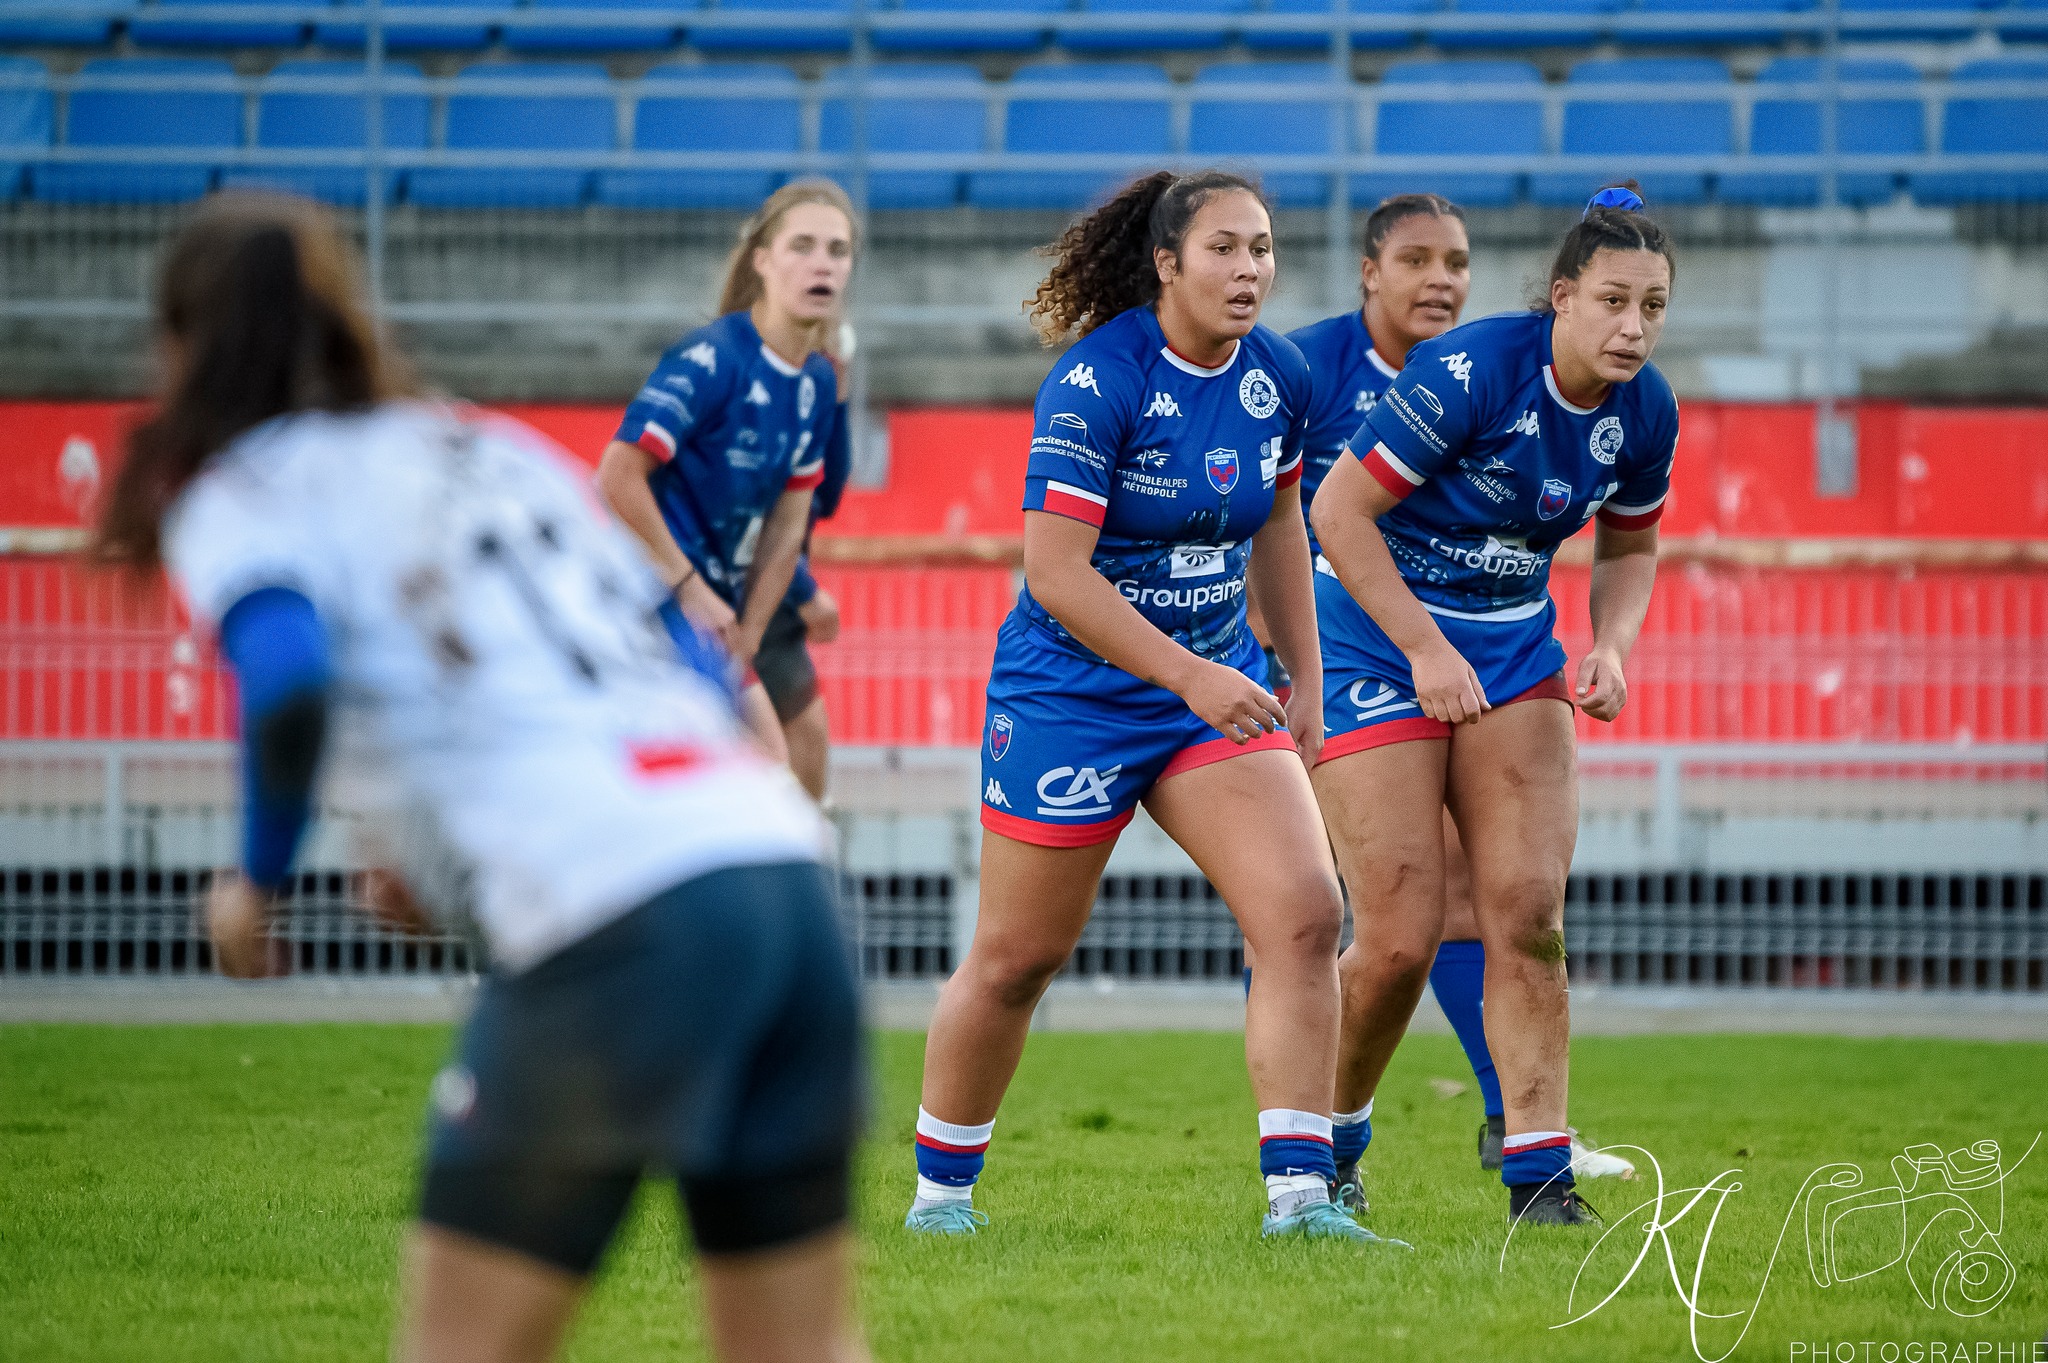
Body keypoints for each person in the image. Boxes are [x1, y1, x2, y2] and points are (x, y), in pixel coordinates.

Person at [92, 191, 868, 1363]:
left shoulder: (246, 486)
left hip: (621, 915)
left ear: (180, 343)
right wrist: (440, 849)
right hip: (778, 878)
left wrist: (255, 878)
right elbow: (678, 672)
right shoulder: (481, 442)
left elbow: (290, 676)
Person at [905, 169, 1389, 1246]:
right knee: (1017, 956)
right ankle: (940, 1198)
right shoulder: (1095, 381)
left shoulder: (1280, 373)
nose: (1248, 269)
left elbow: (1276, 524)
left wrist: (1299, 674)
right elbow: (1056, 575)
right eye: (1222, 248)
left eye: (1261, 248)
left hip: (1207, 690)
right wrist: (1193, 676)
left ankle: (1300, 1202)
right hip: (1071, 695)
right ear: (1165, 264)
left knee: (1306, 913)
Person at [1308, 184, 1678, 1228]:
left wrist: (1608, 643)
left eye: (1650, 307)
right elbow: (1337, 511)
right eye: (1610, 301)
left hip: (1512, 644)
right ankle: (1327, 1144)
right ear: (1561, 296)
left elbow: (1631, 541)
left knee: (1526, 912)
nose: (1631, 327)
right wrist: (1421, 647)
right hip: (1372, 639)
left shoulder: (1645, 409)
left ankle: (1537, 1173)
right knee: (1396, 933)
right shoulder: (1468, 371)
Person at [596, 180, 856, 801]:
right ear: (762, 261)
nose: (822, 263)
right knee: (759, 773)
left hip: (723, 618)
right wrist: (688, 588)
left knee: (788, 762)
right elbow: (615, 476)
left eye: (838, 250)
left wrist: (747, 631)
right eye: (802, 246)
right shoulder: (711, 359)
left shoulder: (818, 382)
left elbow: (790, 524)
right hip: (652, 605)